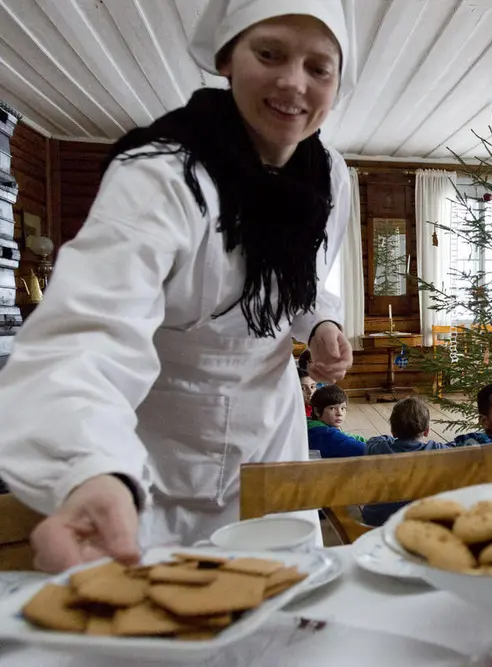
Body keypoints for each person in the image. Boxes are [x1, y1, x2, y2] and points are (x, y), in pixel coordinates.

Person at [0, 0, 357, 572]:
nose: (294, 82)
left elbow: (301, 278)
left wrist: (319, 324)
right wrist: (92, 468)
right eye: (269, 54)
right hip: (151, 446)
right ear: (226, 58)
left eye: (320, 67)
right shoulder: (161, 174)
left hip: (270, 434)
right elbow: (87, 337)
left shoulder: (329, 177)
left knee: (281, 609)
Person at [361, 396, 449, 526]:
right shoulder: (438, 450)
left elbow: (373, 440)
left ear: (393, 431)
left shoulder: (377, 448)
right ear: (427, 431)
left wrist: (388, 438)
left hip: (379, 519)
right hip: (422, 519)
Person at [307, 385, 366, 458]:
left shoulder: (312, 424)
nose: (339, 413)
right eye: (332, 408)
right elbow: (364, 449)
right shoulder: (324, 434)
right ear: (317, 411)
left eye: (342, 408)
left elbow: (347, 437)